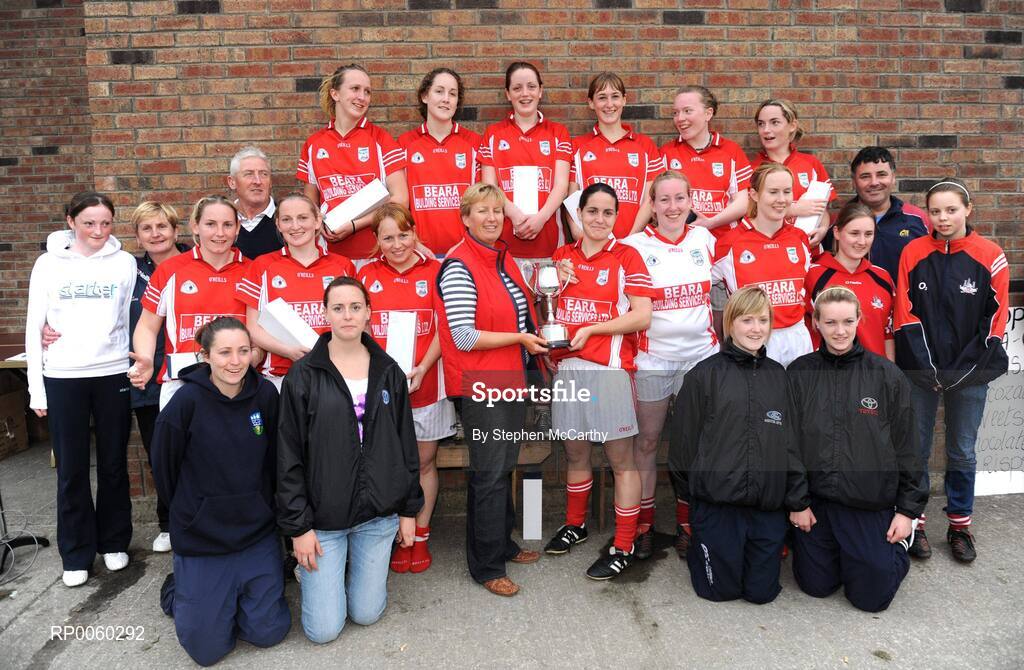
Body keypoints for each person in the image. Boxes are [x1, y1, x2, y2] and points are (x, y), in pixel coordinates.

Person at [278, 277, 422, 644]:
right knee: (323, 631)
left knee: (366, 614)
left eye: (355, 307)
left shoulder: (389, 371)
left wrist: (407, 510)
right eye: (338, 308)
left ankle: (348, 578)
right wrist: (299, 528)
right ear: (325, 313)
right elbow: (288, 456)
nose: (347, 315)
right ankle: (315, 574)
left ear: (368, 313)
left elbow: (406, 445)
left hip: (377, 516)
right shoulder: (303, 375)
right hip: (323, 520)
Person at [151, 318, 290, 666]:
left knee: (268, 633)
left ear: (254, 354)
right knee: (207, 651)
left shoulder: (265, 394)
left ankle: (237, 594)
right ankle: (180, 588)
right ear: (206, 356)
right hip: (203, 538)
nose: (235, 361)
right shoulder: (185, 402)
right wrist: (193, 513)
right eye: (224, 352)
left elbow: (275, 461)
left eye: (243, 351)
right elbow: (165, 471)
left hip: (255, 533)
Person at [435, 183, 549, 597]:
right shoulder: (459, 264)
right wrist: (519, 339)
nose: (490, 218)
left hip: (510, 380)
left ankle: (503, 542)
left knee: (503, 467)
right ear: (465, 218)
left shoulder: (504, 258)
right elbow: (463, 336)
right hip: (481, 385)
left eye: (497, 212)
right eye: (481, 211)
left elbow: (520, 308)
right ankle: (486, 566)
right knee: (488, 473)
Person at [788, 287, 926, 612]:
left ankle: (889, 550)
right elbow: (786, 445)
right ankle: (842, 554)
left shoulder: (886, 376)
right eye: (831, 322)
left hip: (868, 503)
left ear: (859, 321)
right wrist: (797, 502)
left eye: (848, 321)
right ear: (816, 323)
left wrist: (907, 513)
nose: (840, 331)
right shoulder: (799, 373)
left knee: (870, 599)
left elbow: (909, 448)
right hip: (818, 504)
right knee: (814, 586)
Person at [541, 183, 653, 580]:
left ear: (616, 217)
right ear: (579, 215)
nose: (599, 219)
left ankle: (624, 544)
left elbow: (642, 316)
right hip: (569, 369)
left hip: (608, 373)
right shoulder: (561, 257)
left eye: (608, 213)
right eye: (592, 211)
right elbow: (547, 307)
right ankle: (576, 524)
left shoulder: (627, 256)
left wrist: (594, 329)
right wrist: (555, 280)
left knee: (621, 461)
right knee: (575, 455)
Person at [894, 178, 1009, 563]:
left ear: (968, 209)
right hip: (920, 371)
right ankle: (916, 523)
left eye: (951, 210)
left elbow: (995, 320)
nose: (942, 217)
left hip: (970, 373)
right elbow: (904, 312)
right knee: (917, 449)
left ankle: (960, 525)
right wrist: (925, 367)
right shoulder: (912, 251)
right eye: (935, 211)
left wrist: (963, 371)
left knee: (961, 451)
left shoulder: (990, 254)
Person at [25, 191, 136, 587]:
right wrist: (37, 391)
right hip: (63, 376)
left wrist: (129, 362)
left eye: (105, 223)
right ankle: (76, 552)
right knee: (71, 469)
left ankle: (113, 541)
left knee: (112, 463)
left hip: (111, 373)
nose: (98, 231)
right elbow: (35, 326)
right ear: (70, 221)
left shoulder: (123, 263)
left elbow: (128, 318)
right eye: (89, 223)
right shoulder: (48, 264)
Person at [668, 286, 805, 605]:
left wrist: (794, 497)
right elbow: (683, 445)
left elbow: (791, 443)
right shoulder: (705, 375)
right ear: (730, 324)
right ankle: (703, 545)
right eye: (747, 320)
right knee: (719, 592)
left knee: (762, 594)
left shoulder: (779, 376)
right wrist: (694, 498)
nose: (756, 328)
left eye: (763, 320)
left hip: (765, 506)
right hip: (718, 504)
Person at [621, 170, 719, 560]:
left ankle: (687, 523)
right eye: (664, 199)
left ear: (691, 201)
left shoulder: (706, 239)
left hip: (700, 359)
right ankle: (644, 525)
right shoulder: (633, 246)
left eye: (680, 198)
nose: (673, 207)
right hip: (653, 359)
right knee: (646, 443)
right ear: (652, 205)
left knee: (695, 445)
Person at [357, 204, 456, 574]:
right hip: (380, 386)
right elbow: (359, 331)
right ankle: (399, 537)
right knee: (386, 463)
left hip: (426, 381)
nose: (396, 244)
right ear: (376, 241)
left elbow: (442, 330)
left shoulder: (437, 271)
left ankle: (422, 535)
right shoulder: (364, 274)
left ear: (415, 233)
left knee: (425, 462)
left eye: (403, 234)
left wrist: (423, 367)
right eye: (387, 237)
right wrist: (381, 372)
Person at [130, 195, 251, 409]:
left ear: (238, 227)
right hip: (182, 383)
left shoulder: (254, 271)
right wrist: (146, 359)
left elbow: (261, 330)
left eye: (228, 225)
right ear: (195, 226)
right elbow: (147, 326)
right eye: (210, 224)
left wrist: (255, 354)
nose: (220, 233)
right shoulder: (170, 270)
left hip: (239, 381)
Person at [237, 193, 357, 391]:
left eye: (302, 218)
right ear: (278, 224)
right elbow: (253, 327)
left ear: (317, 221)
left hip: (333, 374)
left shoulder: (343, 266)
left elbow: (355, 322)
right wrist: (287, 351)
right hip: (279, 378)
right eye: (286, 219)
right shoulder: (262, 266)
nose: (295, 226)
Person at [659, 85, 752, 334]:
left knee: (726, 331)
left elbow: (743, 202)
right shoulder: (667, 153)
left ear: (708, 113)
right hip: (682, 257)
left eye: (687, 110)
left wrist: (710, 222)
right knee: (688, 327)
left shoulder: (731, 151)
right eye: (676, 112)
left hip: (723, 253)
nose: (680, 118)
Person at [297, 63, 408, 264]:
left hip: (376, 256)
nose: (362, 97)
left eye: (367, 92)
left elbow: (400, 200)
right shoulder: (314, 144)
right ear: (335, 94)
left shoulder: (382, 140)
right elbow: (309, 204)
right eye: (355, 89)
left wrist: (355, 225)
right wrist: (318, 223)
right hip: (329, 257)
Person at [712, 163, 813, 367]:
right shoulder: (729, 243)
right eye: (773, 192)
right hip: (753, 341)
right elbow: (703, 287)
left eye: (787, 191)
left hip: (797, 338)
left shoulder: (800, 239)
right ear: (754, 195)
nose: (782, 199)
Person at [129, 202, 187, 553]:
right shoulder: (129, 271)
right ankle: (168, 521)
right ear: (137, 235)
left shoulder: (195, 262)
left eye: (162, 226)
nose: (156, 234)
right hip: (149, 375)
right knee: (159, 451)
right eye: (147, 228)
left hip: (188, 372)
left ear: (176, 230)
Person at [480, 61, 571, 276]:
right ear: (507, 94)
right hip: (504, 244)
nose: (525, 93)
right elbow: (488, 185)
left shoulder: (558, 133)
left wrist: (540, 218)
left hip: (549, 242)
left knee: (546, 308)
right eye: (517, 88)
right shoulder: (493, 134)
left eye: (531, 86)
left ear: (541, 91)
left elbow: (561, 185)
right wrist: (514, 214)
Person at [568, 72, 664, 239]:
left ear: (624, 100)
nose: (609, 104)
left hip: (634, 245)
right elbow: (571, 200)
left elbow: (651, 199)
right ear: (591, 102)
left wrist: (631, 240)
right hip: (593, 246)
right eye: (602, 97)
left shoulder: (645, 146)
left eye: (615, 96)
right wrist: (584, 237)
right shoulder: (578, 147)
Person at [398, 67, 482, 257]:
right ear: (425, 96)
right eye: (439, 91)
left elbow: (481, 205)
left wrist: (465, 245)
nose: (446, 98)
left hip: (465, 254)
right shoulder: (404, 145)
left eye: (452, 94)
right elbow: (399, 207)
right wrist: (415, 244)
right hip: (417, 253)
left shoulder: (474, 144)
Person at [805, 202, 895, 360]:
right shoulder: (812, 274)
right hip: (829, 374)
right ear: (837, 232)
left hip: (873, 376)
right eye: (854, 233)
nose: (862, 241)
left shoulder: (882, 278)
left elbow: (888, 334)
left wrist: (889, 373)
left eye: (868, 234)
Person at [750, 98, 835, 246]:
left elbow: (822, 209)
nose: (766, 130)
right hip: (768, 250)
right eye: (761, 124)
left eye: (774, 122)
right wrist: (795, 209)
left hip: (808, 250)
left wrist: (822, 230)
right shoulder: (752, 169)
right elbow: (749, 213)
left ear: (792, 125)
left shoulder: (811, 164)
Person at [839, 146, 928, 282]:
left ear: (893, 178)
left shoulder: (918, 219)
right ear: (854, 181)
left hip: (905, 303)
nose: (874, 182)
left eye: (881, 175)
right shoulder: (839, 222)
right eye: (865, 176)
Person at [228, 145, 283, 260]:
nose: (258, 181)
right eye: (249, 174)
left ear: (270, 181)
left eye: (264, 174)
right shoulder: (222, 222)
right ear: (232, 182)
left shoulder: (287, 219)